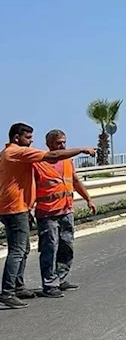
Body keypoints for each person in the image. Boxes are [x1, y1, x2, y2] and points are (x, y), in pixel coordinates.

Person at [0, 123, 94, 308]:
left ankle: (21, 287)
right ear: (17, 138)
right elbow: (51, 157)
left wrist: (88, 198)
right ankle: (9, 292)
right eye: (28, 137)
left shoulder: (18, 155)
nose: (31, 141)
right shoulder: (19, 154)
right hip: (26, 209)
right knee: (22, 250)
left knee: (29, 249)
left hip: (37, 208)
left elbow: (73, 180)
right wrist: (82, 149)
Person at [33, 129, 97, 298]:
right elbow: (30, 187)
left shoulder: (67, 161)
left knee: (66, 246)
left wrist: (88, 199)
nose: (62, 146)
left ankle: (61, 278)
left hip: (66, 210)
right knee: (49, 248)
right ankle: (49, 284)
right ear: (49, 145)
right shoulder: (39, 162)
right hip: (47, 213)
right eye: (58, 143)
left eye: (63, 142)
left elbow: (75, 181)